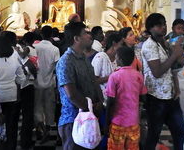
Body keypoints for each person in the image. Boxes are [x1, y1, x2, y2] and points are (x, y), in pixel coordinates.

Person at [141, 13, 184, 150]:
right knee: (154, 134)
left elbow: (177, 65)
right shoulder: (149, 46)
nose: (163, 27)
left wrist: (178, 52)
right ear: (150, 28)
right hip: (156, 97)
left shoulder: (166, 43)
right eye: (159, 25)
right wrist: (174, 55)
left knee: (180, 132)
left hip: (170, 95)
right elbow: (157, 72)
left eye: (164, 23)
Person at [56, 21, 103, 150]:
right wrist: (89, 107)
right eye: (86, 33)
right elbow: (71, 94)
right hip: (74, 119)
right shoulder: (66, 61)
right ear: (76, 38)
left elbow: (93, 81)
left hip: (90, 115)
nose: (90, 36)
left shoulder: (84, 57)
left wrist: (100, 101)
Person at [0, 35, 26, 150]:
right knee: (11, 126)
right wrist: (14, 81)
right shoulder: (14, 59)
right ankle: (11, 146)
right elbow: (22, 79)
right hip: (11, 96)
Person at [105, 46, 147, 150]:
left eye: (116, 57)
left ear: (120, 59)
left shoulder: (114, 76)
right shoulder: (138, 76)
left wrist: (106, 122)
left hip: (117, 122)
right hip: (133, 122)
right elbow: (143, 97)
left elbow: (110, 101)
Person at [33, 25, 60, 143]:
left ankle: (41, 130)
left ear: (41, 34)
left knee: (37, 107)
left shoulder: (34, 47)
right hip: (50, 82)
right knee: (49, 108)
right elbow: (57, 68)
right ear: (51, 35)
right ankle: (47, 130)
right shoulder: (54, 49)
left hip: (36, 83)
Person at [16, 33, 38, 149]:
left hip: (24, 82)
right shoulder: (34, 49)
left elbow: (23, 56)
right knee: (27, 113)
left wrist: (17, 50)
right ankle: (26, 138)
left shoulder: (27, 49)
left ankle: (22, 138)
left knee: (25, 113)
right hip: (30, 81)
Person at [91, 32, 123, 100]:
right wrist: (112, 76)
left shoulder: (118, 59)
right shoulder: (100, 57)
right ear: (114, 43)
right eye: (121, 44)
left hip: (116, 98)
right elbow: (93, 80)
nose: (122, 47)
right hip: (102, 98)